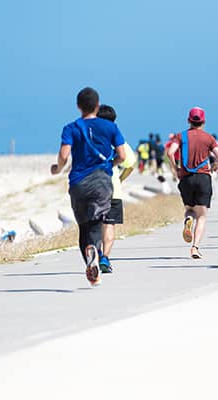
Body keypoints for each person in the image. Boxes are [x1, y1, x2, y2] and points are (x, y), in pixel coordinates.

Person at [50, 87, 126, 286]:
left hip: (78, 182)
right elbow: (123, 156)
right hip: (102, 181)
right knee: (96, 222)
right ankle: (96, 253)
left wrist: (57, 169)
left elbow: (64, 155)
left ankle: (90, 260)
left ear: (78, 106)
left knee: (84, 225)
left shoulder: (70, 128)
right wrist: (111, 163)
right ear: (97, 105)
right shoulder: (110, 127)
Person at [167, 107, 218, 259]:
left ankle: (188, 219)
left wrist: (176, 169)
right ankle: (195, 248)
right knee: (202, 215)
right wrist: (214, 166)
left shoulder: (180, 136)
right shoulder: (209, 138)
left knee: (190, 209)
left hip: (186, 178)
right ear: (203, 122)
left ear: (188, 121)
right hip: (203, 178)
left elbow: (170, 152)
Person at [96, 105, 137, 273]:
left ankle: (95, 252)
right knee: (109, 225)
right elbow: (130, 163)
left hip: (92, 188)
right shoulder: (117, 139)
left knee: (94, 225)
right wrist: (120, 179)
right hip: (112, 189)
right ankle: (105, 257)